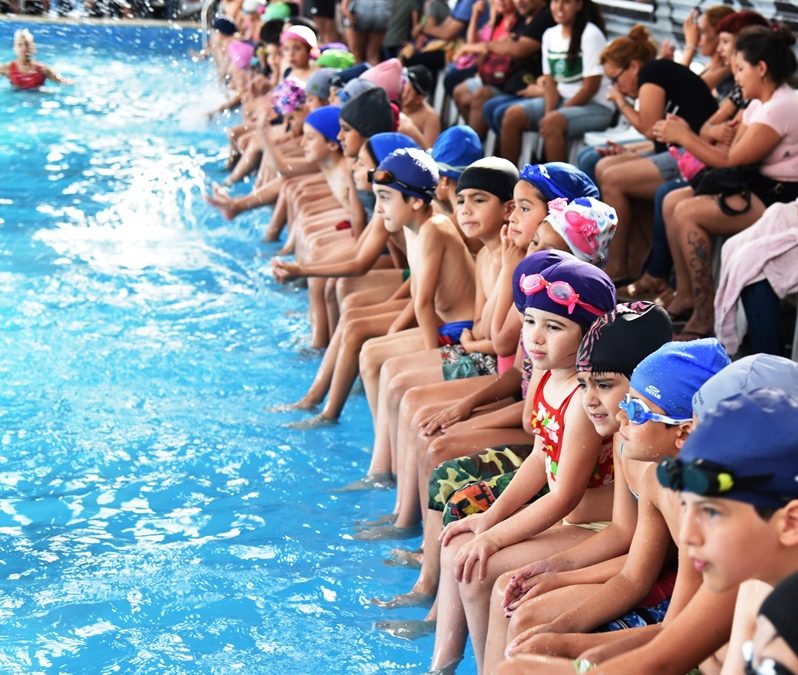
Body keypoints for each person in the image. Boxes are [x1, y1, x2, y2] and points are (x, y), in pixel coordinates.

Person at [427, 252, 618, 672]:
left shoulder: (582, 402)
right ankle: (443, 661)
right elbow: (539, 456)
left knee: (479, 567)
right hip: (569, 517)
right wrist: (488, 519)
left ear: (589, 336)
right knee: (460, 545)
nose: (534, 337)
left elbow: (564, 497)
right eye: (530, 321)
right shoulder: (550, 375)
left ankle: (484, 666)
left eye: (554, 326)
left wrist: (493, 538)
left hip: (593, 525)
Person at [500, 339, 732, 675]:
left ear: (683, 433)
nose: (621, 415)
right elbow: (632, 577)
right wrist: (561, 629)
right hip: (691, 638)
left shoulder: (719, 517)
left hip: (697, 645)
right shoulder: (655, 475)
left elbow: (678, 630)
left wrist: (572, 649)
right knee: (530, 646)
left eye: (636, 409)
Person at [481, 301, 673, 672]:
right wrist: (550, 569)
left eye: (604, 385)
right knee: (514, 594)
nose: (590, 400)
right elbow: (623, 531)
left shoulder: (656, 468)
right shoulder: (624, 436)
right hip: (636, 568)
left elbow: (640, 574)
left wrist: (564, 622)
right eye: (584, 384)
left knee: (526, 619)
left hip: (660, 586)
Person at [653, 25, 798, 340]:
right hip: (756, 186)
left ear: (761, 68)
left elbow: (732, 159)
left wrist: (684, 136)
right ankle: (685, 294)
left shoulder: (781, 107)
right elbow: (731, 148)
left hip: (781, 199)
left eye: (741, 69)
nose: (738, 78)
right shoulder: (759, 103)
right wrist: (699, 135)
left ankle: (706, 315)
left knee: (687, 212)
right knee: (671, 201)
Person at [594, 24, 718, 284]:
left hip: (695, 154)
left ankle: (617, 265)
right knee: (604, 166)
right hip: (680, 149)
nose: (615, 86)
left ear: (634, 66)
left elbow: (648, 127)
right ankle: (637, 257)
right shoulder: (656, 72)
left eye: (616, 78)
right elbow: (658, 137)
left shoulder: (652, 72)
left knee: (614, 178)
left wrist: (620, 101)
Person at [498, 0, 612, 165]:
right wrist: (549, 111)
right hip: (561, 100)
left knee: (552, 123)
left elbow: (590, 88)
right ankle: (507, 182)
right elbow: (550, 83)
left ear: (578, 5)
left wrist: (555, 114)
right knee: (512, 115)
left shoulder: (591, 34)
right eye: (555, 1)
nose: (559, 8)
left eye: (566, 2)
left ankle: (557, 188)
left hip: (595, 106)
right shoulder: (550, 34)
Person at [1, 29, 71, 90]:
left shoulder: (43, 69)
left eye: (27, 44)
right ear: (14, 48)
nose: (24, 48)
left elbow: (63, 82)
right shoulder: (7, 68)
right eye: (20, 45)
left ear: (33, 48)